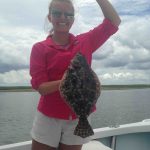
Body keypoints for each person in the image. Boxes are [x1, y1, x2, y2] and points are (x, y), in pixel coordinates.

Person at [30, 0, 121, 150]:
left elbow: (114, 22)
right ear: (49, 17)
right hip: (49, 115)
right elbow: (42, 88)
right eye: (57, 13)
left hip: (80, 116)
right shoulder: (40, 48)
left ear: (73, 19)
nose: (63, 18)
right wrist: (69, 80)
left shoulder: (86, 41)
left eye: (68, 14)